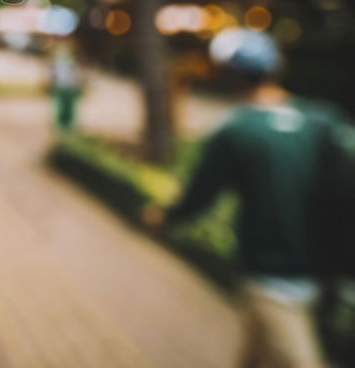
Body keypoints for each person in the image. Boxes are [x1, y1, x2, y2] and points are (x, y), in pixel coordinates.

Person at [141, 28, 354, 368]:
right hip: (321, 273)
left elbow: (200, 196)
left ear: (229, 75)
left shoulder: (234, 131)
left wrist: (164, 217)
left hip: (270, 277)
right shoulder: (322, 120)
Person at [49, 39, 82, 131]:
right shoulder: (58, 60)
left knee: (69, 108)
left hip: (69, 86)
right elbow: (53, 74)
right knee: (61, 107)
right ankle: (62, 125)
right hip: (62, 86)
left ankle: (68, 125)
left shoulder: (71, 61)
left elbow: (76, 73)